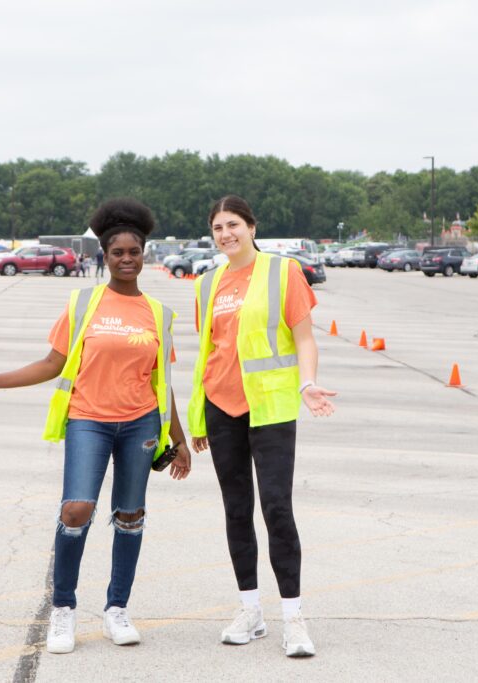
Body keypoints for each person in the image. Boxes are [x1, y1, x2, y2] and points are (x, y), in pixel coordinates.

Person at [0, 198, 192, 655]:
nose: (127, 259)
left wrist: (177, 439)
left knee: (130, 514)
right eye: (118, 252)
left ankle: (116, 609)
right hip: (90, 421)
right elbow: (52, 363)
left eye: (135, 252)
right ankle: (62, 609)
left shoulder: (159, 314)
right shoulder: (83, 302)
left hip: (141, 422)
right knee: (77, 510)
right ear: (104, 256)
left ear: (145, 255)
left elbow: (163, 383)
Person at [188, 195, 336, 658]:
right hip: (220, 407)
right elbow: (209, 353)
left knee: (276, 508)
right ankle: (250, 609)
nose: (225, 234)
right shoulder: (206, 283)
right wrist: (197, 416)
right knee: (236, 510)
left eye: (233, 224)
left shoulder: (283, 272)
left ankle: (293, 616)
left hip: (270, 408)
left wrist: (308, 383)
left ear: (252, 227)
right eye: (217, 227)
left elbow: (304, 337)